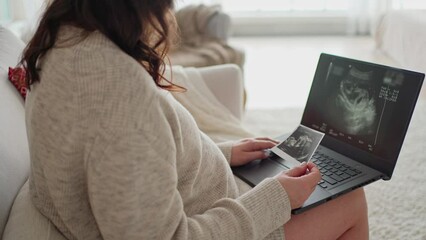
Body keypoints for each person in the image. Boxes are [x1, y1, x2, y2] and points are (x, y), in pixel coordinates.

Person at [22, 0, 369, 239]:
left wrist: (222, 153)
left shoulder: (61, 41)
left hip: (201, 199)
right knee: (350, 201)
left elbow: (128, 163)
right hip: (209, 220)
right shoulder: (120, 94)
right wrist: (276, 197)